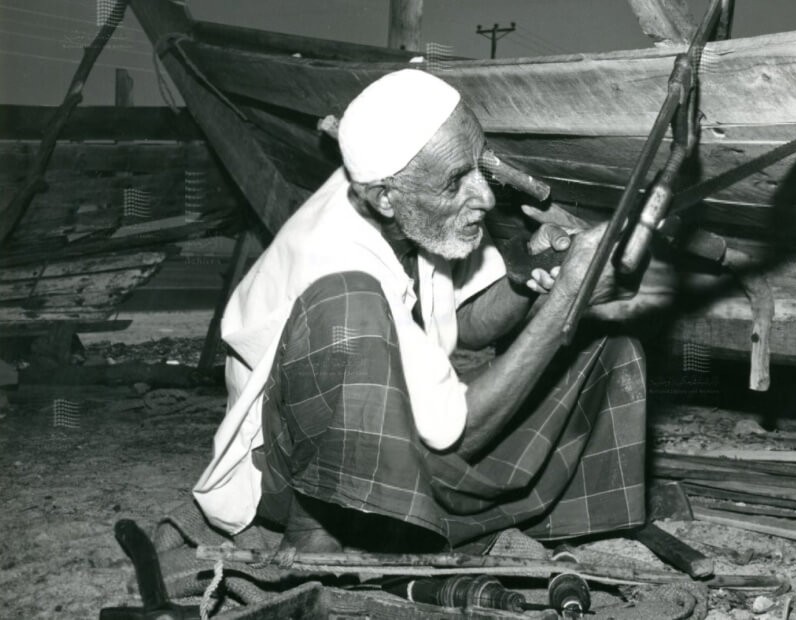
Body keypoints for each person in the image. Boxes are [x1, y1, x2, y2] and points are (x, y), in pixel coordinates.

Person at [193, 69, 648, 563]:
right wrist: (564, 302)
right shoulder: (336, 252)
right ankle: (318, 529)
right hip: (296, 472)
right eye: (458, 181)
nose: (488, 197)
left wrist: (531, 277)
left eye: (481, 168)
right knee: (346, 302)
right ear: (385, 197)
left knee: (607, 345)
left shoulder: (403, 196)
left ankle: (558, 516)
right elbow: (460, 430)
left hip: (400, 434)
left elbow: (466, 323)